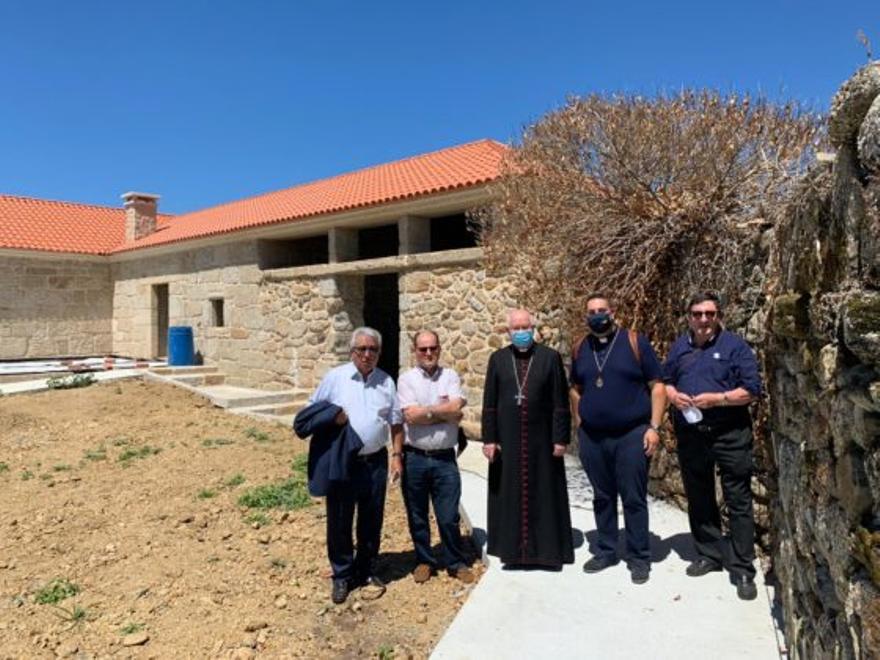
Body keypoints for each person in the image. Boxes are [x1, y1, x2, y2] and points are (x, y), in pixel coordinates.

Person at [662, 292, 762, 601]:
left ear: (718, 315)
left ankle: (743, 567)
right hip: (692, 434)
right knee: (699, 493)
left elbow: (752, 390)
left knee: (738, 497)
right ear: (688, 316)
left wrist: (718, 399)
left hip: (729, 433)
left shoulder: (735, 346)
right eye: (697, 314)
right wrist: (673, 395)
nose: (703, 319)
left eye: (709, 313)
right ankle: (709, 554)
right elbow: (665, 380)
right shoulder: (680, 347)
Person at [569, 293, 666, 584]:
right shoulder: (580, 348)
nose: (597, 315)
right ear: (585, 316)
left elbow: (658, 386)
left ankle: (639, 557)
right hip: (593, 437)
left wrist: (654, 428)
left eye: (602, 310)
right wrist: (579, 421)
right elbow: (575, 388)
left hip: (631, 434)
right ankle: (607, 550)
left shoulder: (635, 342)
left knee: (633, 497)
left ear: (612, 313)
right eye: (591, 311)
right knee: (602, 496)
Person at [308, 326, 404, 604]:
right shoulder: (335, 378)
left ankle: (365, 568)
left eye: (372, 349)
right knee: (339, 519)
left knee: (372, 518)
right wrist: (332, 417)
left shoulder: (386, 381)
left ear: (379, 353)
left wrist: (397, 456)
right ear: (352, 351)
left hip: (375, 461)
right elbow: (312, 409)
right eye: (361, 349)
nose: (367, 354)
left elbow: (396, 421)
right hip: (342, 460)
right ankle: (341, 575)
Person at [481, 309, 574, 568]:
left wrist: (560, 438)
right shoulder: (498, 359)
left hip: (542, 440)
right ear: (508, 331)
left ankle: (546, 552)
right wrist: (490, 439)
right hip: (508, 441)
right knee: (508, 492)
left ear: (533, 329)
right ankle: (511, 551)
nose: (521, 332)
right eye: (516, 328)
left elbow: (560, 401)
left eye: (526, 327)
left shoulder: (549, 357)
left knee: (545, 491)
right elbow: (489, 403)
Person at [397, 330, 474, 584]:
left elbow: (456, 408)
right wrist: (445, 413)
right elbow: (410, 416)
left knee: (448, 514)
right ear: (415, 351)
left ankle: (455, 561)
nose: (428, 353)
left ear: (439, 349)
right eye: (423, 349)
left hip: (444, 459)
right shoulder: (406, 380)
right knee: (417, 513)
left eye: (433, 348)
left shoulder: (450, 376)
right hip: (415, 458)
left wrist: (427, 413)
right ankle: (424, 560)